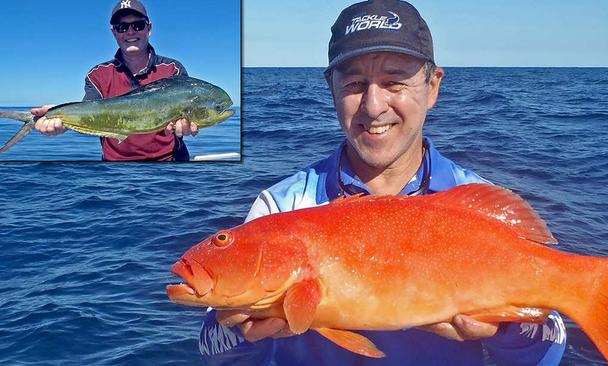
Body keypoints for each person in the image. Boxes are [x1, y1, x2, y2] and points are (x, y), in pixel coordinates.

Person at [200, 0, 567, 364]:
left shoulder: (475, 203)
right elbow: (214, 352)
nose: (373, 105)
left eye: (394, 81)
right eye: (355, 83)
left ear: (433, 85)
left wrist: (504, 329)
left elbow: (549, 352)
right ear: (332, 88)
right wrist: (238, 331)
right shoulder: (279, 207)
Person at [32, 0, 198, 161]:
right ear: (114, 33)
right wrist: (60, 117)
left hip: (169, 166)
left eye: (138, 25)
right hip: (115, 174)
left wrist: (186, 125)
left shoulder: (173, 69)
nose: (130, 32)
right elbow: (89, 114)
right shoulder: (97, 75)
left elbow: (187, 114)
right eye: (122, 27)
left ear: (149, 28)